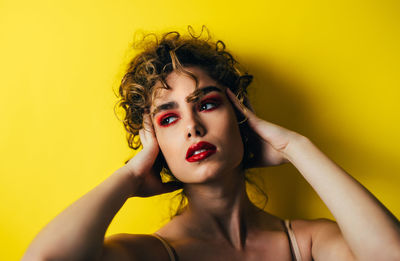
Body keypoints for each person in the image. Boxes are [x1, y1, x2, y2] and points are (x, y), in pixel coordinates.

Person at [22, 28, 400, 261]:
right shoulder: (150, 254)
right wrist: (132, 175)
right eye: (168, 118)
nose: (193, 127)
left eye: (206, 103)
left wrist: (295, 148)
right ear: (155, 144)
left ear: (240, 117)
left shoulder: (306, 242)